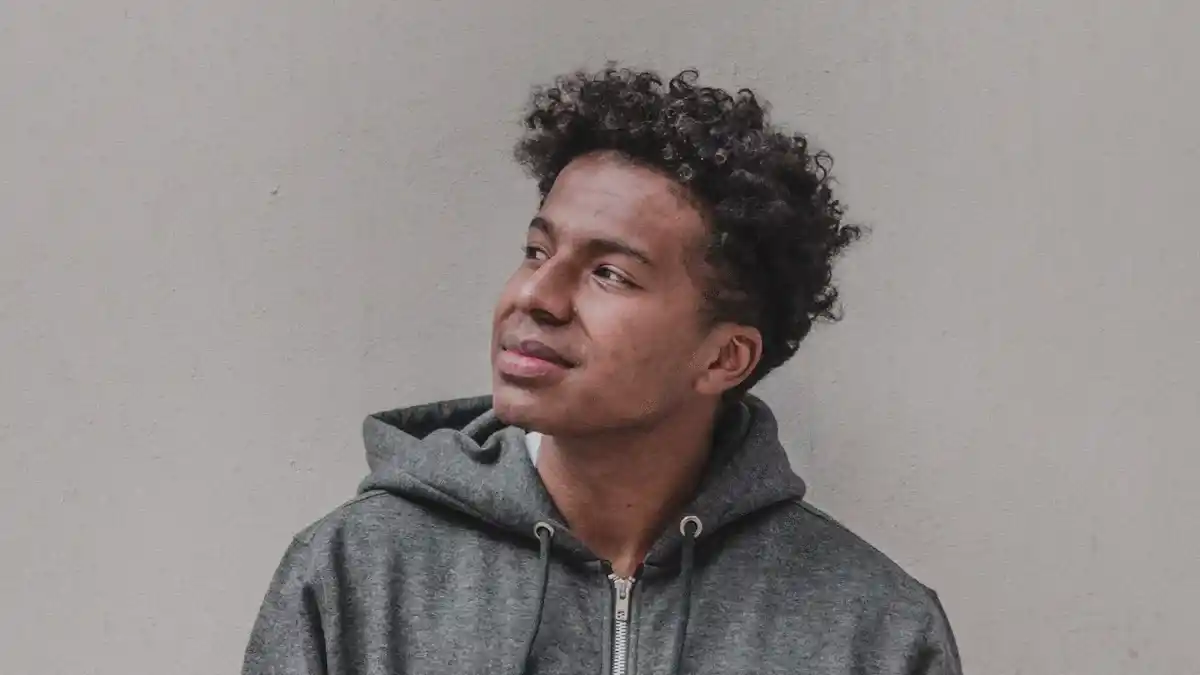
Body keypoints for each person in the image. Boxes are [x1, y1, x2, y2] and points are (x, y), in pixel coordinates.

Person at [242, 65, 961, 675]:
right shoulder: (357, 574)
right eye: (535, 250)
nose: (535, 296)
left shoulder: (872, 630)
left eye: (610, 273)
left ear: (723, 357)